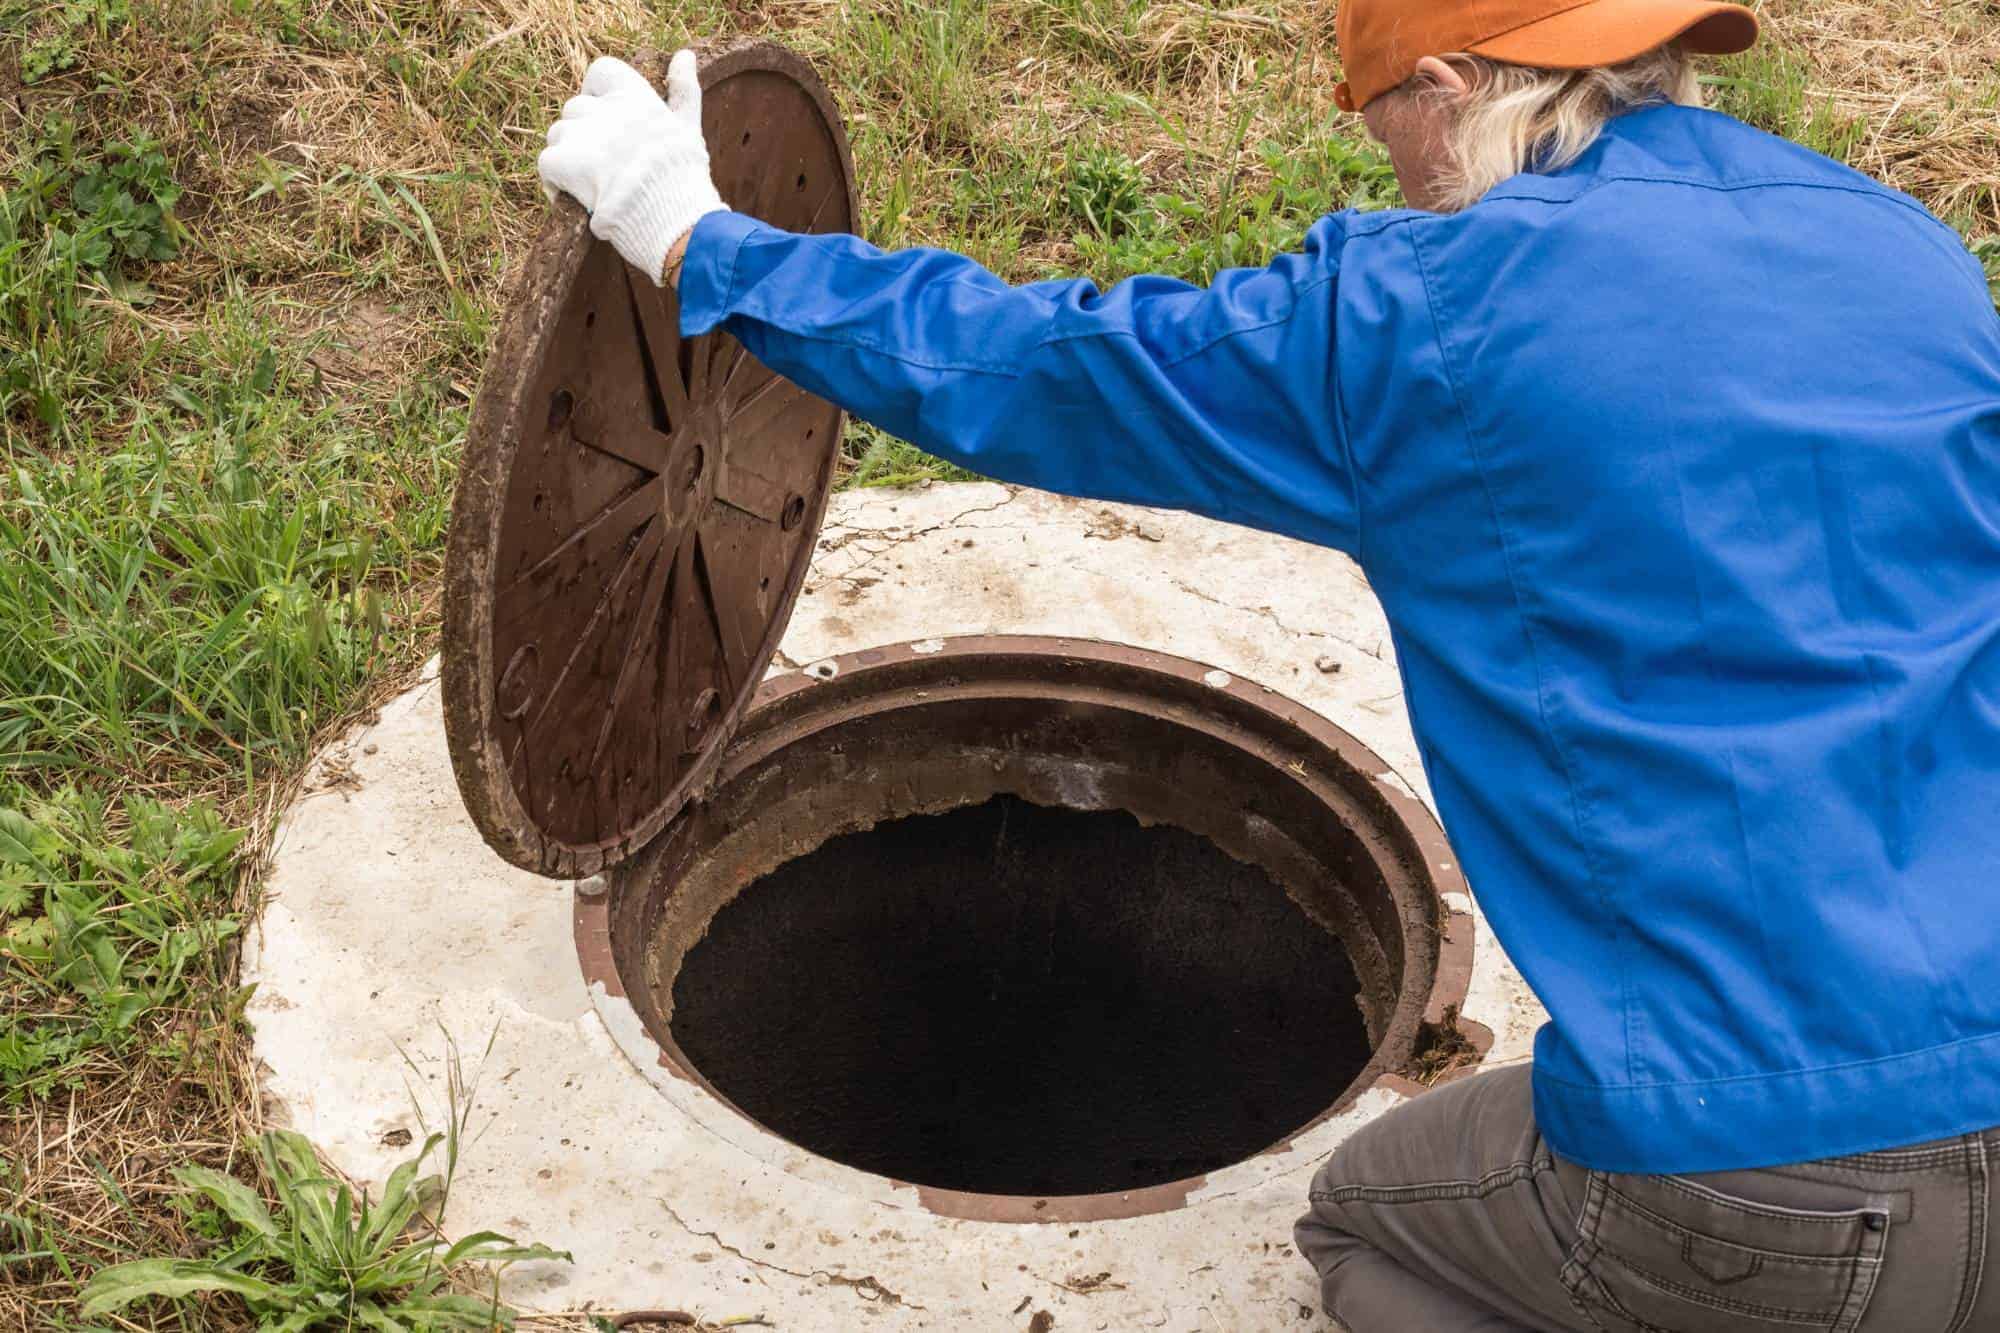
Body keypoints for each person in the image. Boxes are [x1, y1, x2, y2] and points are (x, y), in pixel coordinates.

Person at [536, 0, 2000, 1325]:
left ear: (1443, 87)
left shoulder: (1427, 323)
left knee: (1368, 1229)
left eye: (1388, 134)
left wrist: (699, 241)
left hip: (1756, 1177)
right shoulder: (1906, 252)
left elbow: (1046, 364)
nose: (1401, 181)